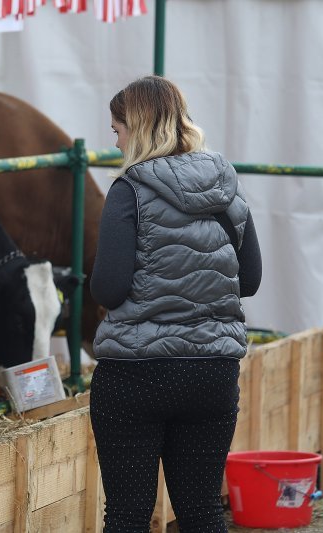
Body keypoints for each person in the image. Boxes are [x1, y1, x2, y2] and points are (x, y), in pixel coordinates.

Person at [89, 75, 262, 532]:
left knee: (127, 514)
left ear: (138, 127)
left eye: (117, 128)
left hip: (136, 373)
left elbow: (108, 288)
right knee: (202, 511)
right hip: (213, 371)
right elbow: (251, 280)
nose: (116, 139)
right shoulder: (227, 187)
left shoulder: (128, 191)